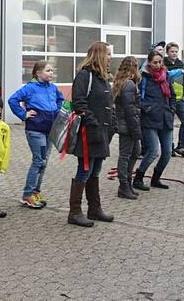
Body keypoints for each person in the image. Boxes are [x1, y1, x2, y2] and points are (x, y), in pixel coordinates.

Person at [67, 41, 115, 228]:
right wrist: (93, 123)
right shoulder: (84, 75)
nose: (110, 57)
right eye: (108, 54)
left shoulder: (103, 77)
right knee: (85, 170)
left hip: (102, 133)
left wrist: (112, 124)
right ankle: (74, 212)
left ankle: (94, 209)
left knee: (95, 171)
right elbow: (79, 102)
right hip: (89, 133)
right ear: (99, 55)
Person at [8, 60, 64, 209]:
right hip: (35, 130)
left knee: (44, 162)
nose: (51, 73)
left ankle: (36, 192)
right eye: (48, 71)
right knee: (38, 161)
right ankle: (27, 195)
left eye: (52, 70)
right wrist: (23, 114)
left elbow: (61, 100)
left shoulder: (53, 88)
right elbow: (12, 100)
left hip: (50, 130)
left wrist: (58, 111)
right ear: (38, 73)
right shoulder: (30, 88)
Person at [133, 50, 175, 191]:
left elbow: (172, 95)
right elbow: (137, 97)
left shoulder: (166, 76)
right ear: (149, 63)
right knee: (153, 151)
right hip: (150, 119)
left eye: (160, 62)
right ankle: (138, 178)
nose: (158, 65)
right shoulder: (143, 77)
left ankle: (156, 178)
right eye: (155, 62)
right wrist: (148, 108)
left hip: (165, 118)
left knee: (167, 152)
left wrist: (172, 108)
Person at [112, 56, 142, 200]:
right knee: (125, 155)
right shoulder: (129, 85)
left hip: (127, 125)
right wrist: (136, 130)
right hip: (128, 126)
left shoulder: (122, 82)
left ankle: (127, 184)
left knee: (135, 152)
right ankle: (124, 186)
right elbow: (131, 110)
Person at [163, 42, 184, 158]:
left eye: (176, 51)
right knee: (169, 124)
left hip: (181, 99)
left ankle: (181, 145)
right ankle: (170, 147)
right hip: (168, 99)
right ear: (167, 52)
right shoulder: (163, 64)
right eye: (172, 51)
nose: (174, 54)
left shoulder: (182, 64)